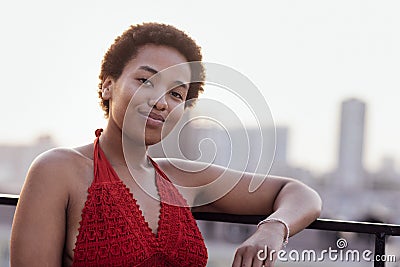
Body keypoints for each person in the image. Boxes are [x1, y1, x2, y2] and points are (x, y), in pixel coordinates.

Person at [10, 22, 322, 267]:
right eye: (145, 81)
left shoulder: (182, 177)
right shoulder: (59, 170)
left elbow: (300, 194)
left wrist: (272, 229)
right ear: (108, 85)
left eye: (176, 94)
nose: (161, 102)